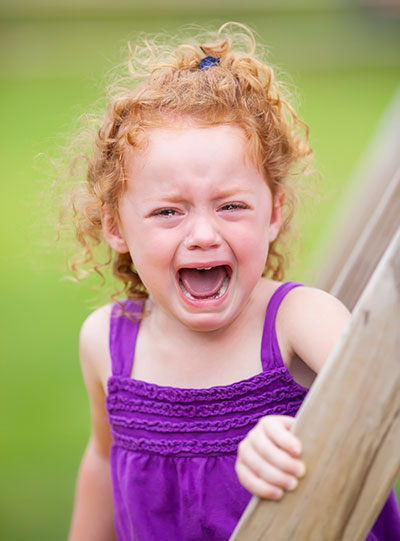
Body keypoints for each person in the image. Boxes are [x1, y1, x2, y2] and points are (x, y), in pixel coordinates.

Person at [67, 22, 400, 541]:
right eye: (168, 212)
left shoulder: (297, 321)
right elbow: (102, 458)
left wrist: (303, 441)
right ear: (115, 227)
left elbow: (385, 413)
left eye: (231, 206)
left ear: (275, 213)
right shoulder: (107, 344)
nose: (203, 233)